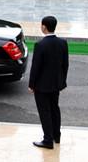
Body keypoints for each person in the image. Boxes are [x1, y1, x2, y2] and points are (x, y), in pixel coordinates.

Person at [29, 15, 69, 149]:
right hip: (56, 84)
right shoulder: (63, 43)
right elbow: (65, 65)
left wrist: (31, 84)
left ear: (44, 27)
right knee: (54, 109)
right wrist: (62, 80)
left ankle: (47, 140)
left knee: (44, 111)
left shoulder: (40, 45)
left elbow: (36, 67)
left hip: (41, 85)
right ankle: (56, 136)